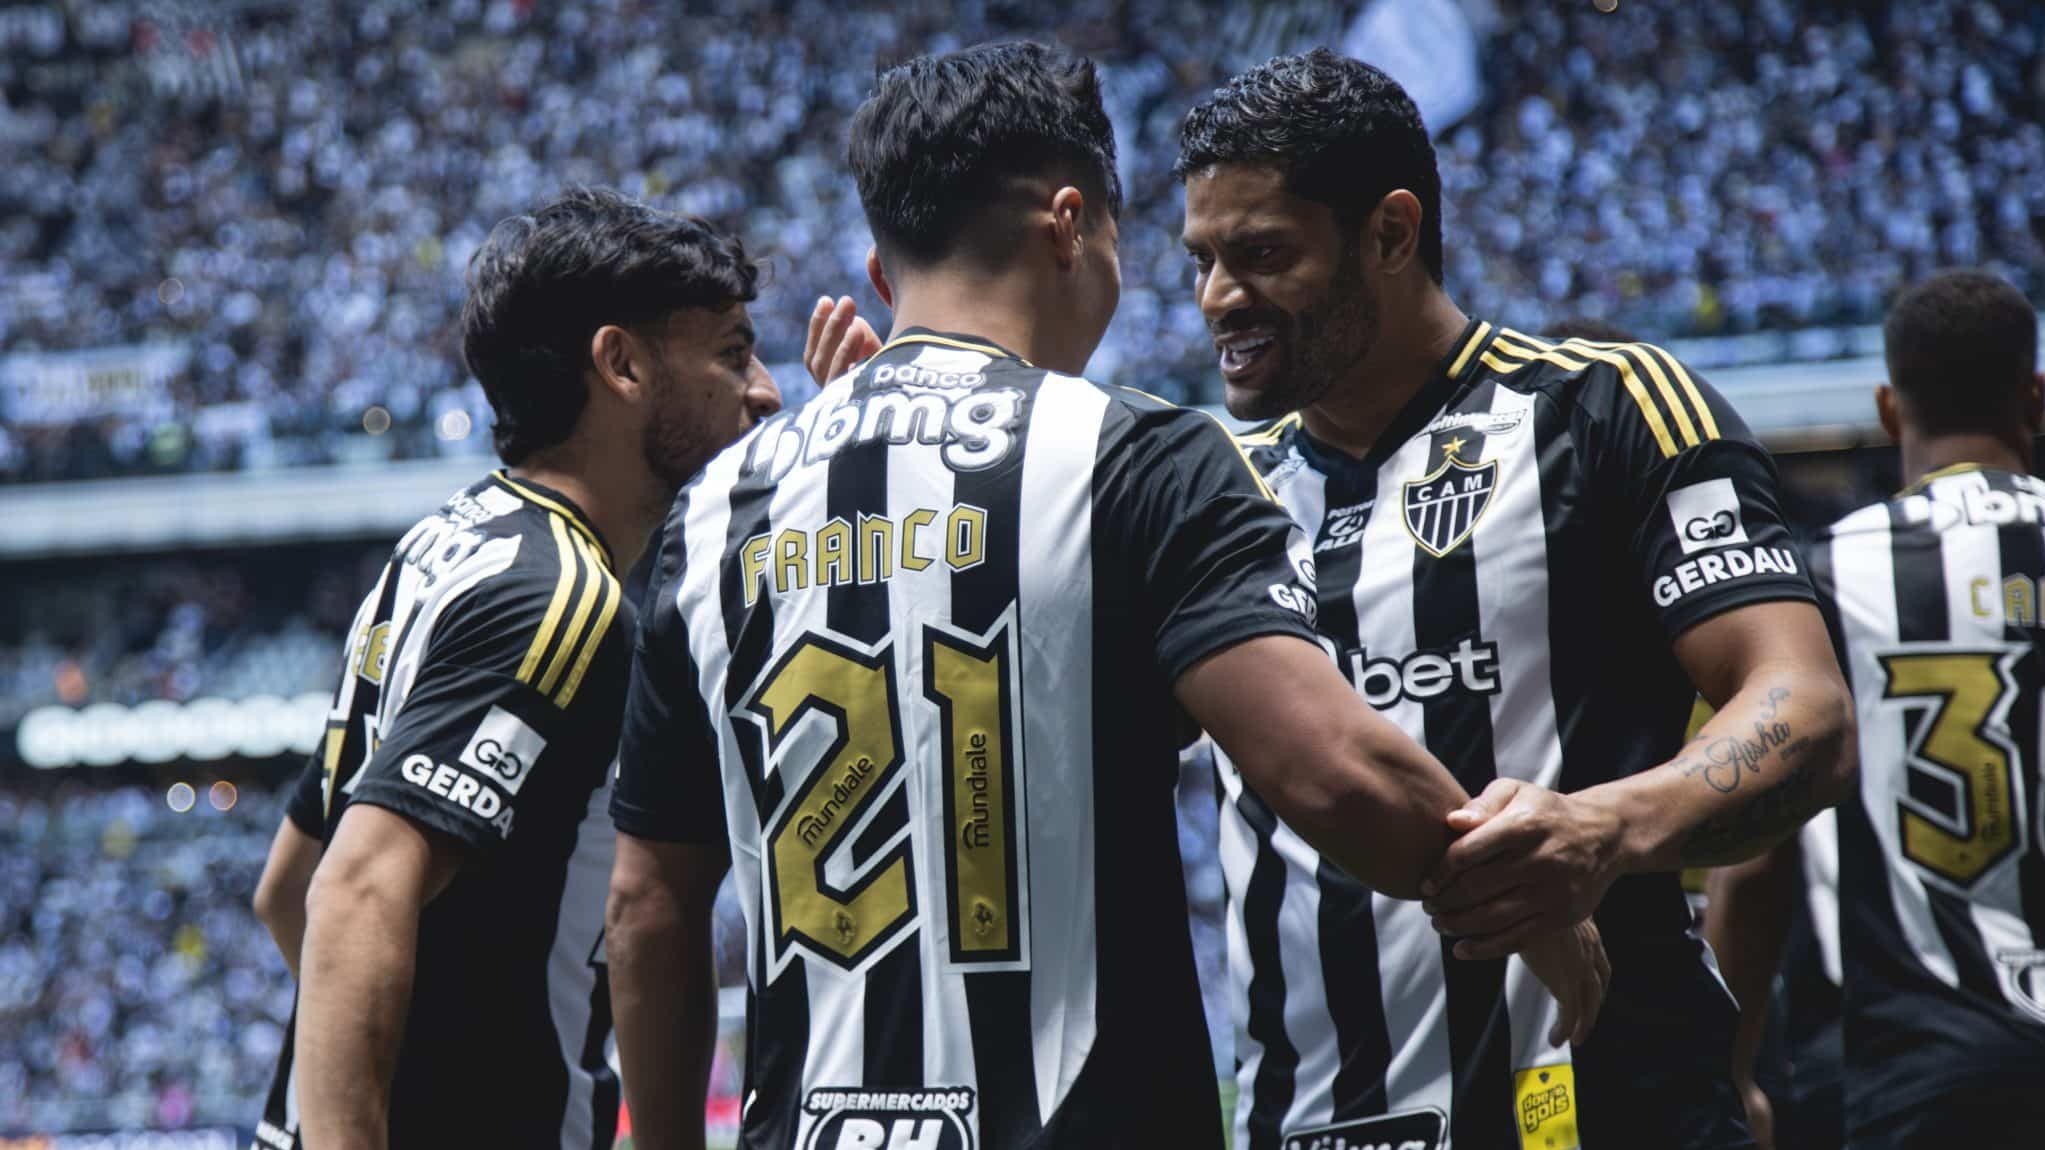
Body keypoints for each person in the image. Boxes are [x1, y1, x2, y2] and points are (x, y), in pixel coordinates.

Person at [605, 41, 1612, 1150]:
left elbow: (648, 906)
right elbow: (1328, 771)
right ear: (1070, 225)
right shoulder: (1132, 455)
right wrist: (1522, 894)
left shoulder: (717, 508)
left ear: (884, 278)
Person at [1171, 51, 1855, 1149]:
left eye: (1260, 255)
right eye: (1200, 260)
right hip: (1311, 1123)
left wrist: (1603, 828)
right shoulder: (1212, 494)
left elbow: (1805, 711)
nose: (1216, 298)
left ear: (1390, 233)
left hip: (1614, 1111)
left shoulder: (1605, 410)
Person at [246, 187, 782, 1150]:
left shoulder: (443, 545)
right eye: (733, 353)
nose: (767, 392)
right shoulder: (560, 602)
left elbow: (289, 884)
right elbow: (351, 892)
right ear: (621, 364)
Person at [1710, 268, 2045, 1150]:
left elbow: (1756, 852)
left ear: (1889, 410)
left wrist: (1733, 1074)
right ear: (2035, 398)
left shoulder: (1822, 578)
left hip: (1906, 1057)